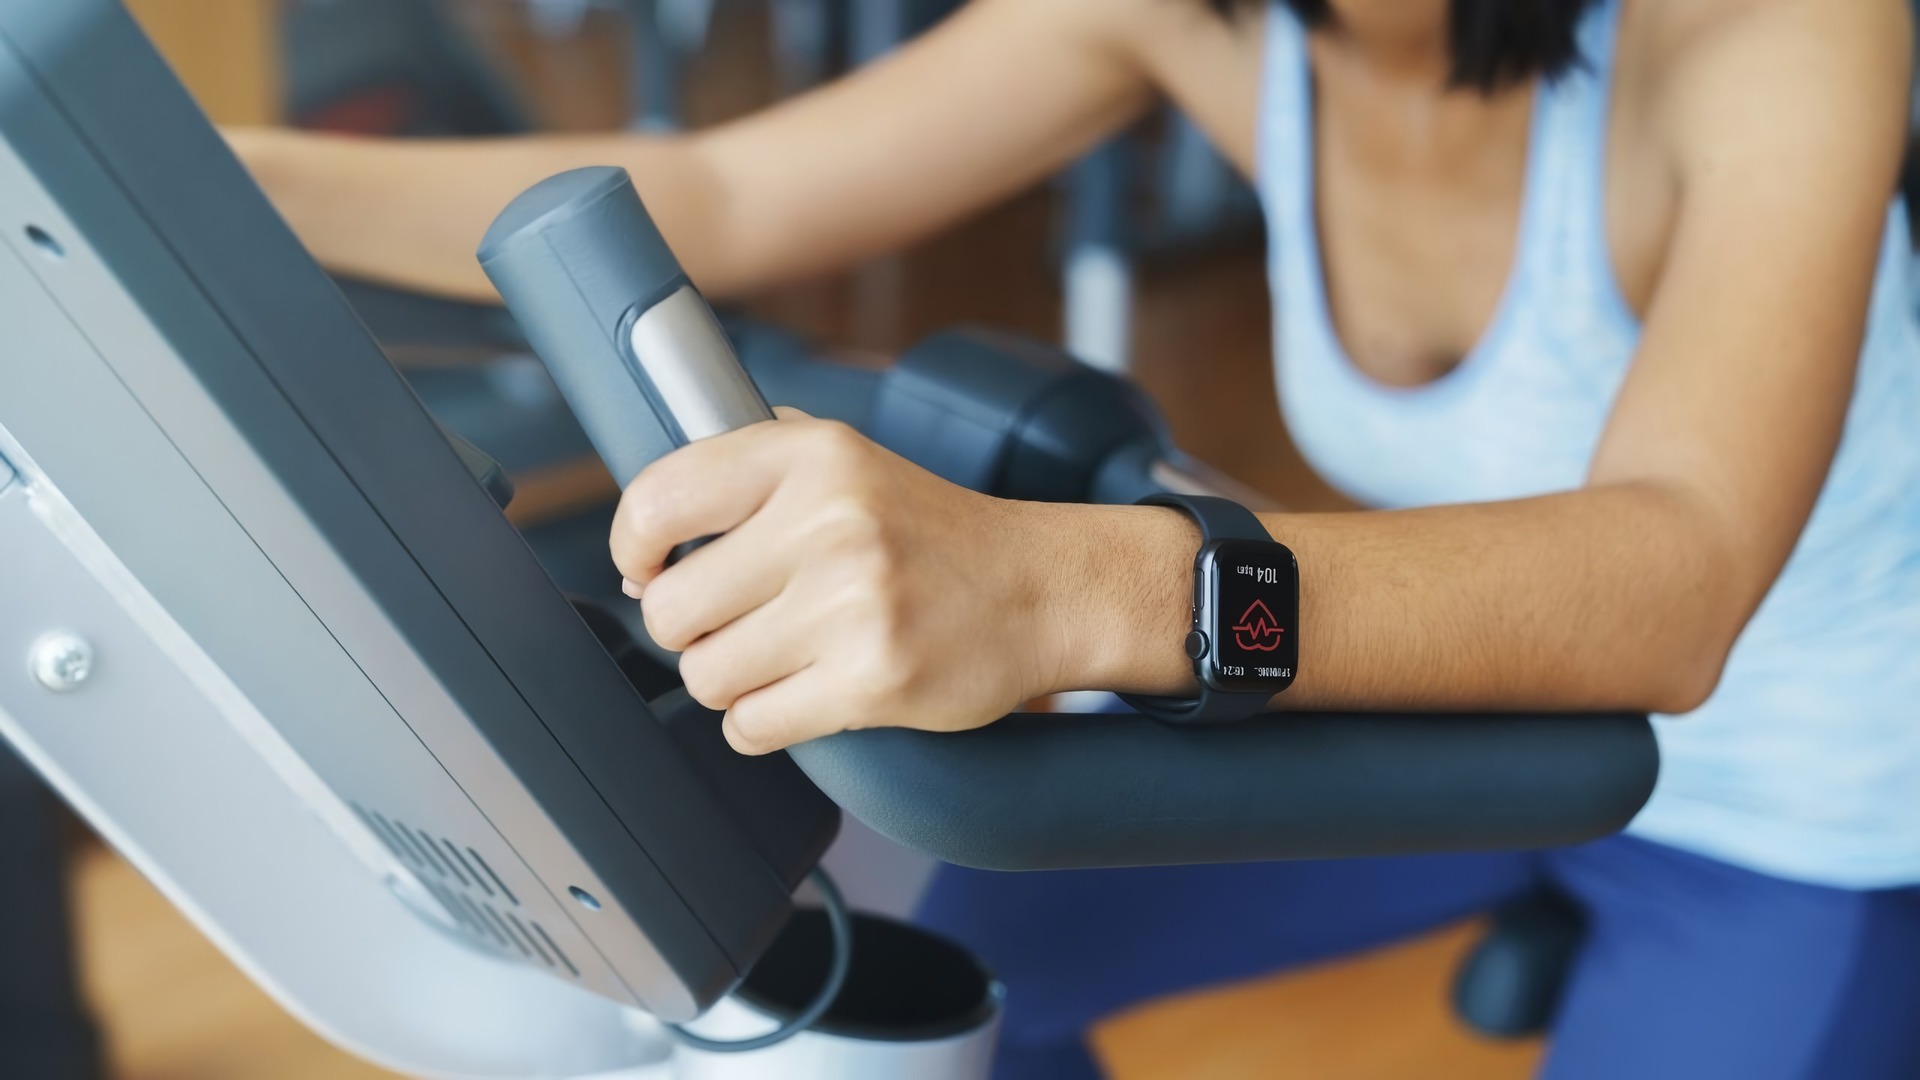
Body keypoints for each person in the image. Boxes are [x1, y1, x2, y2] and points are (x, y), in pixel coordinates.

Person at [230, 0, 1920, 1075]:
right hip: (1477, 709)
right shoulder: (1203, 17)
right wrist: (214, 178)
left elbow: (1676, 574)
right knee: (930, 994)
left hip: (1812, 813)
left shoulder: (1778, 36)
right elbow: (727, 194)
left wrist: (1056, 587)